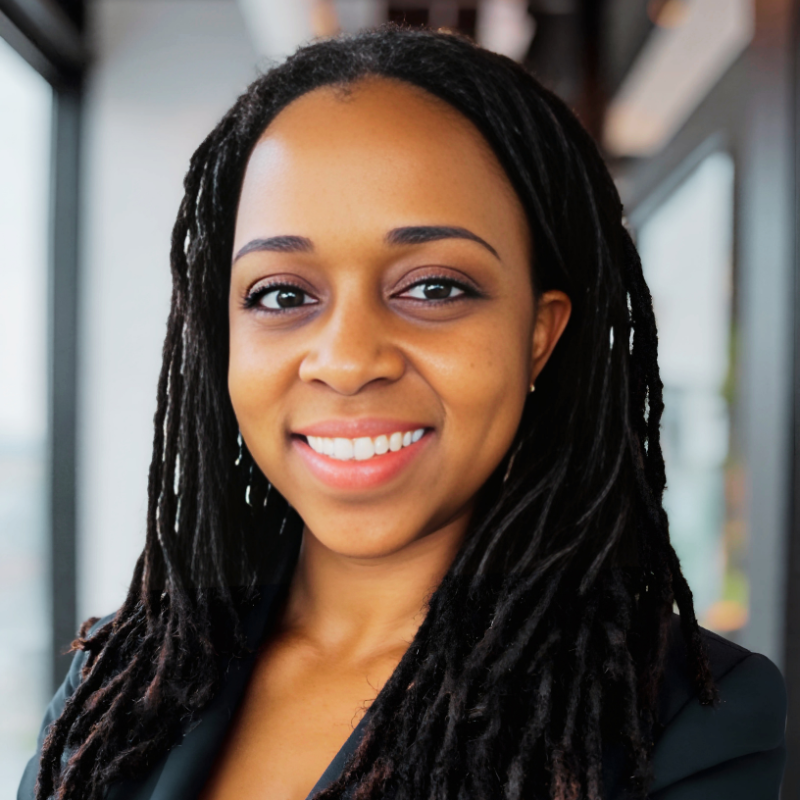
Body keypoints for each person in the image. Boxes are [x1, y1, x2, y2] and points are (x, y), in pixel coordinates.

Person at [19, 25, 786, 800]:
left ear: (539, 335)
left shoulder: (683, 723)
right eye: (282, 294)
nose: (349, 361)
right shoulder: (120, 679)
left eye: (434, 287)